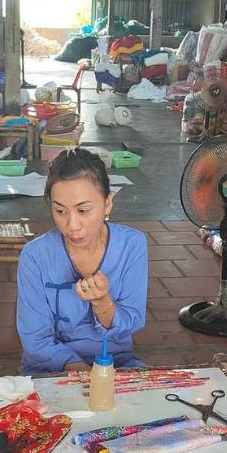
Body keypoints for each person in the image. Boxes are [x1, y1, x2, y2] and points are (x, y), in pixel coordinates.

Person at [16, 148, 148, 375]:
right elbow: (35, 340)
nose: (72, 225)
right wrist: (84, 374)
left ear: (107, 204)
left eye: (83, 210)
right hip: (51, 368)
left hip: (116, 363)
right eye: (60, 211)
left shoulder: (132, 245)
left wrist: (102, 302)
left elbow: (131, 321)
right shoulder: (35, 257)